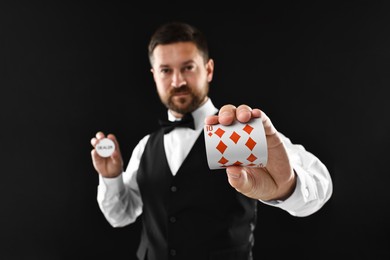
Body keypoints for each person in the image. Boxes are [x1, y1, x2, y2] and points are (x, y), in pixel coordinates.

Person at [90, 21, 333, 260]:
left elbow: (320, 185)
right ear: (154, 76)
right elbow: (120, 216)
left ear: (208, 69)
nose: (178, 81)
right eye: (166, 70)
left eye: (188, 67)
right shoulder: (146, 147)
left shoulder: (236, 131)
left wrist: (288, 187)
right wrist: (111, 178)